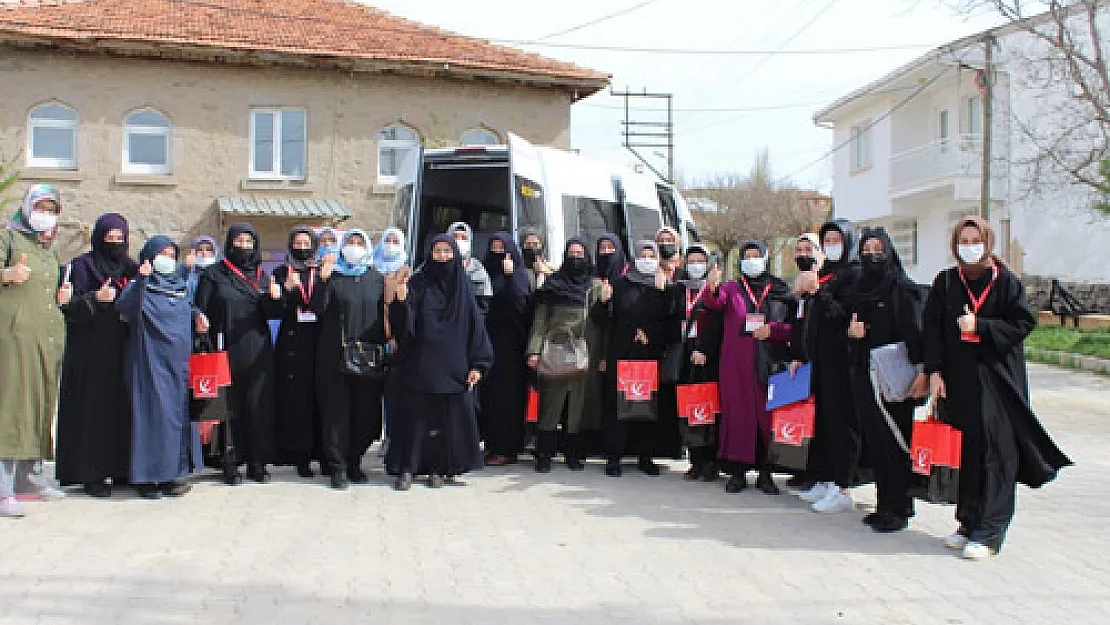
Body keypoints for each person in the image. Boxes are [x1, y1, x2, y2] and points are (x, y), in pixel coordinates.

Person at [924, 217, 1071, 559]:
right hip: (959, 383)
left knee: (997, 454)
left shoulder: (1005, 282)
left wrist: (982, 326)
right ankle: (968, 522)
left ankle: (990, 531)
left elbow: (1021, 324)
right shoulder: (946, 282)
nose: (970, 245)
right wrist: (934, 371)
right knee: (969, 454)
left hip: (998, 381)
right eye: (964, 240)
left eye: (976, 239)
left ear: (988, 242)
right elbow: (931, 331)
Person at [386, 235, 493, 490]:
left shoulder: (463, 286)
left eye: (447, 251)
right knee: (414, 419)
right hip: (420, 363)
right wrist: (400, 302)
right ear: (429, 253)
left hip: (453, 365)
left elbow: (476, 328)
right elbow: (402, 327)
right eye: (437, 251)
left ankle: (439, 469)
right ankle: (408, 468)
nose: (443, 256)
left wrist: (478, 364)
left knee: (443, 422)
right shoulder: (418, 283)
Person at [843, 227, 928, 533]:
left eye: (879, 249)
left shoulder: (902, 290)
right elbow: (851, 334)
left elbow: (916, 334)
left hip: (896, 379)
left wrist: (922, 372)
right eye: (866, 250)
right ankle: (884, 504)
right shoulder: (858, 291)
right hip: (866, 376)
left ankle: (900, 506)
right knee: (877, 443)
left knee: (896, 441)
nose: (872, 255)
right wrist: (852, 335)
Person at [702, 241, 795, 495]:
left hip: (768, 364)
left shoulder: (779, 289)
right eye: (747, 256)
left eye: (756, 256)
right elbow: (713, 303)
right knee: (738, 418)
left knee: (766, 419)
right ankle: (738, 473)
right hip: (735, 366)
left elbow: (794, 327)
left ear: (765, 259)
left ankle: (766, 474)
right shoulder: (731, 288)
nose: (751, 260)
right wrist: (711, 285)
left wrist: (774, 330)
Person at [55, 213, 138, 498]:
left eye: (119, 238)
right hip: (91, 352)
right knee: (93, 411)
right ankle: (91, 473)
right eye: (109, 237)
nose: (114, 243)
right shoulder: (82, 266)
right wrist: (95, 300)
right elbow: (68, 307)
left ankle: (122, 468)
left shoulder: (132, 268)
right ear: (98, 238)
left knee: (122, 410)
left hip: (124, 349)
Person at [117, 236, 205, 499]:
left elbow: (188, 309)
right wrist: (142, 279)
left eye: (171, 253)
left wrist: (199, 317)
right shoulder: (140, 285)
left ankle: (172, 475)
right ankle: (147, 478)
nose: (167, 257)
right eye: (162, 253)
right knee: (152, 417)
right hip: (149, 362)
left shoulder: (180, 286)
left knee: (176, 417)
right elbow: (126, 308)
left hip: (177, 364)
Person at [0, 185, 70, 518]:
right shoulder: (9, 239)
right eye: (40, 206)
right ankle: (3, 487)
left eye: (52, 208)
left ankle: (30, 478)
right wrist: (6, 274)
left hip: (46, 339)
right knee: (13, 405)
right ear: (27, 207)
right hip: (13, 338)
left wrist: (61, 297)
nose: (46, 213)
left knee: (41, 404)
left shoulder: (47, 248)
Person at [195, 223, 282, 485]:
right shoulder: (213, 274)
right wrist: (201, 326)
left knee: (258, 406)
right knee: (228, 408)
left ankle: (257, 462)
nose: (243, 247)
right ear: (230, 243)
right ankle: (229, 462)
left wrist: (276, 299)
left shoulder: (263, 276)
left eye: (248, 242)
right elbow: (201, 310)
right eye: (239, 241)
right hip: (225, 348)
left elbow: (273, 315)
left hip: (258, 351)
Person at [792, 222, 864, 514]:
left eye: (837, 239)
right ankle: (824, 476)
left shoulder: (853, 274)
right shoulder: (825, 274)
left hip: (843, 360)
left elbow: (839, 316)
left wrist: (818, 291)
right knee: (823, 421)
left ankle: (843, 484)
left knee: (842, 422)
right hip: (821, 359)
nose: (832, 244)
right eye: (828, 240)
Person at [311, 229, 388, 489]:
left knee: (365, 414)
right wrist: (322, 280)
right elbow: (317, 309)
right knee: (336, 414)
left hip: (368, 357)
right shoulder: (333, 277)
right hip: (334, 357)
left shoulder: (377, 279)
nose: (354, 247)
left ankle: (355, 461)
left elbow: (386, 315)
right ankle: (337, 467)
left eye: (359, 243)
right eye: (350, 243)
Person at [602, 241, 683, 477]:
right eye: (642, 255)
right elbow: (605, 319)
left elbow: (673, 323)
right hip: (622, 353)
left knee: (648, 407)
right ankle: (614, 457)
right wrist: (603, 301)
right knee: (618, 406)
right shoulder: (620, 284)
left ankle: (645, 457)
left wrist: (651, 333)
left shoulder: (665, 286)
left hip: (650, 354)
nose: (647, 259)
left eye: (651, 255)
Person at [526, 238, 600, 472]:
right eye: (571, 253)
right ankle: (544, 455)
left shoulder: (594, 286)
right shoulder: (553, 284)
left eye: (580, 253)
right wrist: (534, 350)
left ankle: (572, 455)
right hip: (554, 350)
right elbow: (540, 320)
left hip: (583, 353)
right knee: (550, 404)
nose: (575, 257)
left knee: (577, 407)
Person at [272, 226, 323, 478]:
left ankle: (321, 453)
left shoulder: (322, 271)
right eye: (297, 243)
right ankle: (298, 455)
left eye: (306, 243)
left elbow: (325, 304)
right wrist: (288, 290)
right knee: (296, 403)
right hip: (292, 343)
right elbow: (276, 309)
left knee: (319, 400)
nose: (302, 248)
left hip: (319, 341)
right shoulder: (282, 272)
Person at [479, 231, 533, 466]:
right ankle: (491, 445)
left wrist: (510, 278)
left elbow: (521, 305)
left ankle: (507, 449)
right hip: (487, 343)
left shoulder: (519, 276)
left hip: (511, 347)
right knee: (489, 398)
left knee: (507, 399)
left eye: (503, 247)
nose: (498, 252)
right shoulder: (484, 273)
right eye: (494, 247)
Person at [677, 244, 724, 482]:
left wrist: (704, 349)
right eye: (691, 260)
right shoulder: (679, 288)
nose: (695, 265)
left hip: (707, 359)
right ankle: (694, 460)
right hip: (685, 356)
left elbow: (717, 324)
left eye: (700, 260)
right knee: (690, 410)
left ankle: (710, 462)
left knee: (708, 411)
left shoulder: (715, 291)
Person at [373, 226, 410, 448]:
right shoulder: (369, 268)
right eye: (388, 240)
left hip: (395, 340)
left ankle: (392, 436)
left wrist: (394, 336)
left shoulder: (407, 272)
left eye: (396, 241)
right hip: (370, 336)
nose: (391, 245)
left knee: (393, 391)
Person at [446, 221, 492, 313]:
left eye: (464, 238)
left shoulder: (477, 268)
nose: (458, 241)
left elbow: (482, 306)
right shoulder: (433, 263)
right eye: (454, 237)